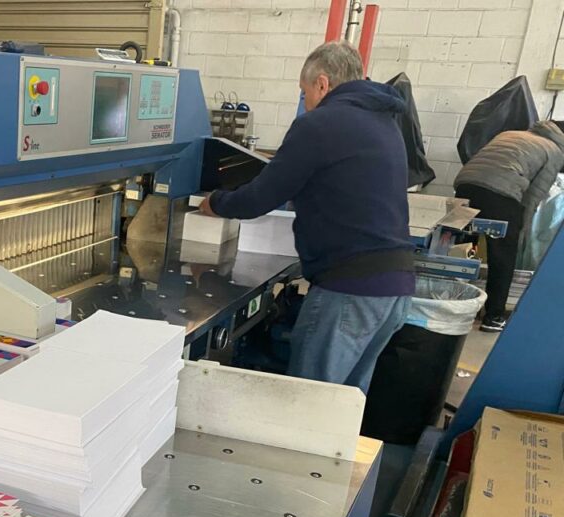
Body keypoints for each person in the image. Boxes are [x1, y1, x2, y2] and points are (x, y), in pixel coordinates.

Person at [199, 41, 415, 393]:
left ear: (322, 84)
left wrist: (215, 203)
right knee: (343, 404)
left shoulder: (320, 124)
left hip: (349, 291)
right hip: (395, 288)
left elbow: (261, 197)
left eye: (304, 92)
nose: (305, 101)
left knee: (308, 404)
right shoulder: (384, 121)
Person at [454, 120, 564, 332]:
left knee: (464, 249)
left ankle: (456, 304)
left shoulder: (511, 134)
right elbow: (532, 197)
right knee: (503, 255)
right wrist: (521, 231)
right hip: (500, 194)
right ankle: (493, 317)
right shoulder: (555, 151)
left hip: (465, 186)